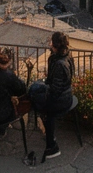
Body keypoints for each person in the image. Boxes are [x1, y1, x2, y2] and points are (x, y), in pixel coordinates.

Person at [36, 32, 75, 161]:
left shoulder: (59, 64)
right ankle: (48, 133)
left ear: (55, 45)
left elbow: (55, 91)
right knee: (36, 90)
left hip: (62, 99)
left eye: (51, 42)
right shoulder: (65, 55)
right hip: (66, 94)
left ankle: (52, 146)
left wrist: (45, 98)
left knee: (45, 109)